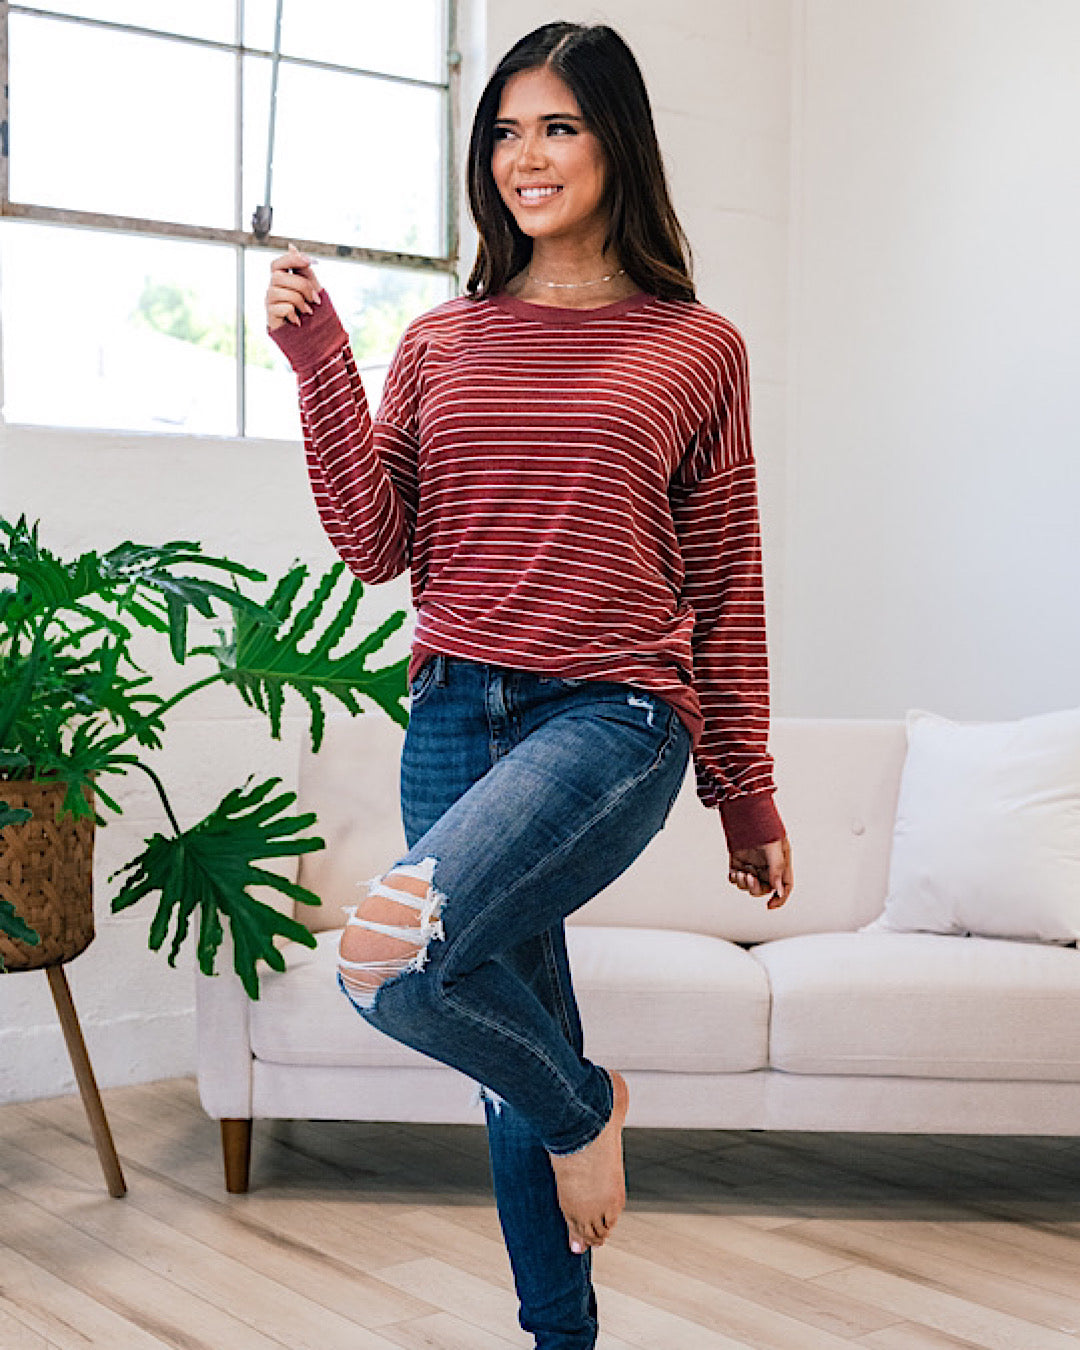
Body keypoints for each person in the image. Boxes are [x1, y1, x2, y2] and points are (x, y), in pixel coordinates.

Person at [265, 20, 794, 1350]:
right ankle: (563, 1327)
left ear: (618, 143)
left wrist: (744, 790)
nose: (526, 156)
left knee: (389, 960)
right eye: (504, 131)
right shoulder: (441, 339)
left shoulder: (697, 347)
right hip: (453, 714)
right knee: (504, 1041)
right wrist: (322, 361)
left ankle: (584, 1107)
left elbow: (726, 573)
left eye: (558, 125)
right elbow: (376, 542)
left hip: (612, 715)